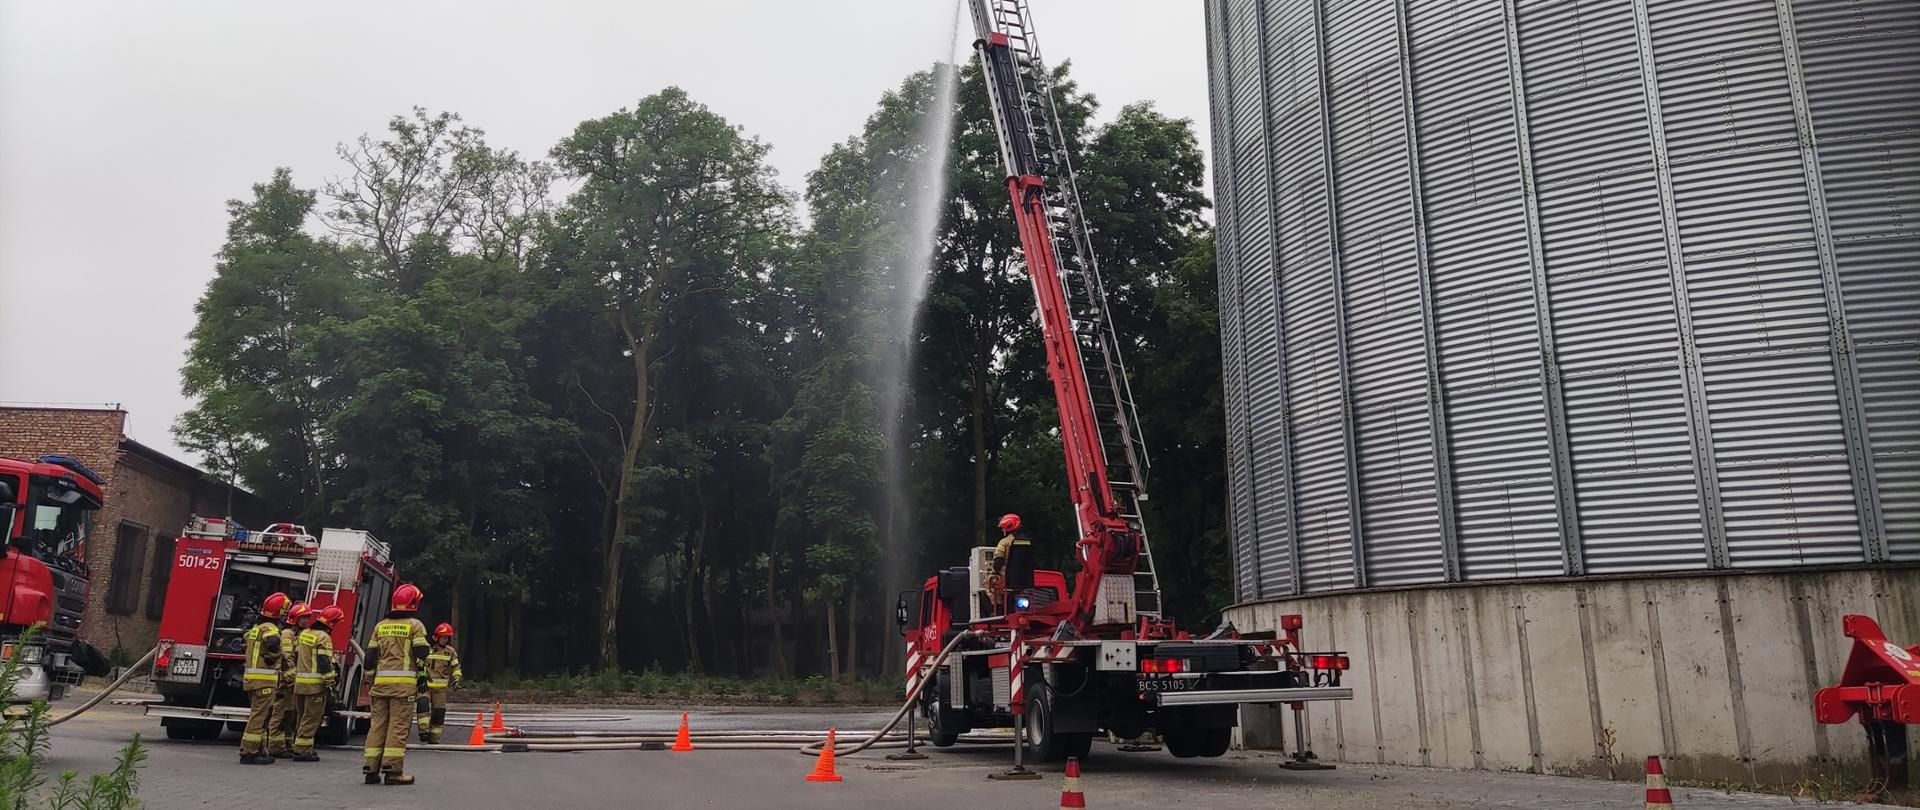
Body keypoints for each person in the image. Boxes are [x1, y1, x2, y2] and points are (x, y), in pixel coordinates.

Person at [364, 583, 430, 786]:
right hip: (403, 688)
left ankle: (370, 769)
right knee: (397, 727)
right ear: (413, 603)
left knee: (377, 726)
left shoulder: (380, 626)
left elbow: (369, 658)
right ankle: (393, 771)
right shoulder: (415, 625)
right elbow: (421, 652)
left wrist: (370, 680)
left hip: (380, 686)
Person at [238, 592, 291, 765]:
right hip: (264, 681)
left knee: (261, 715)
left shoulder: (255, 630)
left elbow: (244, 644)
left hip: (251, 680)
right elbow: (274, 646)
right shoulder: (271, 629)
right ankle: (249, 752)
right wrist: (272, 657)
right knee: (259, 717)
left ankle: (259, 750)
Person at [289, 605, 340, 762]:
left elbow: (297, 654)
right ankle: (303, 751)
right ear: (331, 623)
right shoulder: (324, 637)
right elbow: (323, 661)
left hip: (300, 685)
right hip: (315, 687)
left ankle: (296, 746)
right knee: (312, 718)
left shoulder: (305, 634)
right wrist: (331, 681)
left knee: (301, 717)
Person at [270, 602, 311, 758]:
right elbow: (287, 657)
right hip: (286, 682)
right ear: (295, 618)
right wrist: (291, 676)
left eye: (307, 618)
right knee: (280, 713)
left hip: (293, 682)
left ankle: (287, 744)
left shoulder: (298, 634)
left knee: (290, 714)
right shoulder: (287, 633)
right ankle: (275, 746)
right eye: (304, 618)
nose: (306, 621)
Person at [417, 623, 463, 743]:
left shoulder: (450, 652)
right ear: (436, 637)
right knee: (423, 707)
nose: (445, 640)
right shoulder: (426, 649)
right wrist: (421, 675)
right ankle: (424, 732)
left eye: (447, 638)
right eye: (443, 637)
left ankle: (434, 737)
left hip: (441, 689)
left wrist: (456, 679)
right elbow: (418, 663)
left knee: (439, 713)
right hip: (425, 686)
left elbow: (456, 667)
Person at [987, 513, 1032, 614]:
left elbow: (997, 565)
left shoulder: (1004, 542)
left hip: (1008, 580)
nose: (1002, 530)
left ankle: (998, 609)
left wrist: (994, 571)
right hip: (1026, 580)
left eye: (1003, 528)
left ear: (1008, 527)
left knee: (987, 582)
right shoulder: (1028, 541)